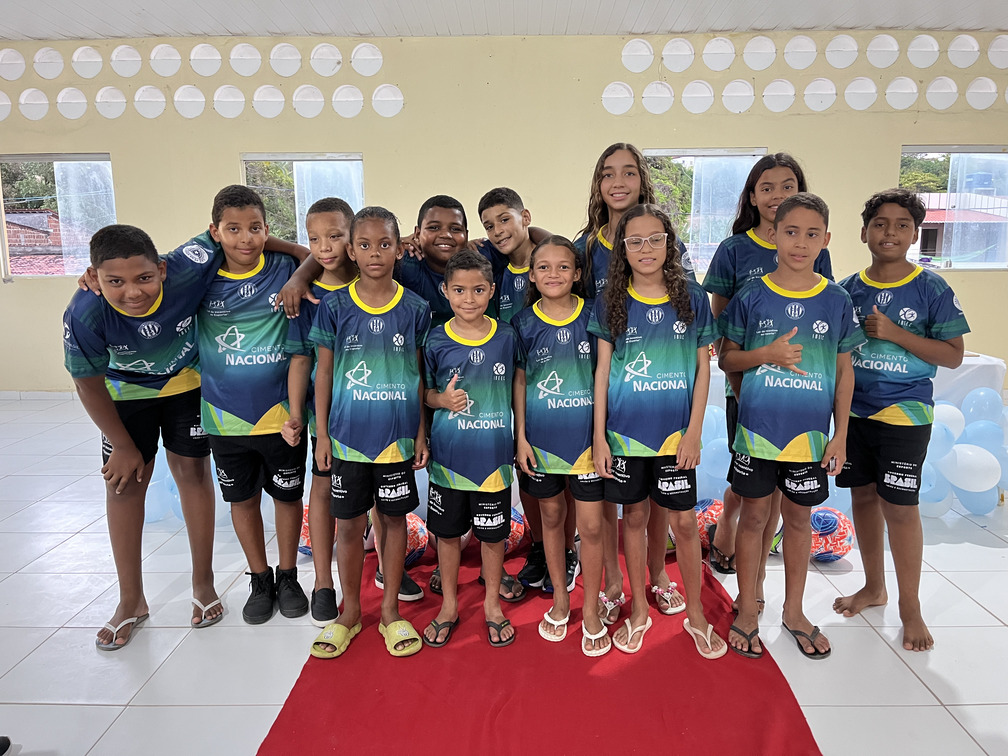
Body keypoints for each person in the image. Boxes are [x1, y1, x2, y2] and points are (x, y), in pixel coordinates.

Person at [63, 224, 224, 649]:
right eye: (115, 281)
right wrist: (121, 444)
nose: (133, 292)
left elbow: (227, 230)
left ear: (163, 270)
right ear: (94, 277)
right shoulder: (84, 312)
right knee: (124, 485)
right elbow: (87, 384)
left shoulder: (186, 266)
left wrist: (297, 252)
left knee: (192, 472)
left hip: (185, 384)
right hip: (123, 393)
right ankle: (131, 599)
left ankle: (203, 582)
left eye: (144, 278)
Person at [719, 193, 864, 660]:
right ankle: (747, 607)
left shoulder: (837, 300)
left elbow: (844, 372)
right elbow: (727, 359)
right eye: (791, 232)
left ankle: (794, 610)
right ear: (774, 235)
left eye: (812, 233)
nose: (801, 243)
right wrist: (766, 358)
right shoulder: (752, 295)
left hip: (810, 439)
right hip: (757, 434)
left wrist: (840, 435)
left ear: (826, 239)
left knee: (798, 521)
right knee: (754, 518)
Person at [833, 188, 968, 652]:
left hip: (905, 414)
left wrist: (895, 334)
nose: (890, 232)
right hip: (855, 412)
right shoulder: (848, 289)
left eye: (902, 225)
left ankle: (911, 607)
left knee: (900, 507)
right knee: (863, 497)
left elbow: (953, 355)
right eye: (880, 224)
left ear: (915, 234)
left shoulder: (931, 288)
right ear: (864, 232)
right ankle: (874, 587)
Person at [589, 204, 725, 658]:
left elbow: (702, 371)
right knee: (634, 519)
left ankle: (697, 615)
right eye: (635, 241)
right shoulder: (610, 299)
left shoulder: (691, 296)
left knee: (683, 522)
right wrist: (599, 437)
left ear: (670, 243)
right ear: (622, 249)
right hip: (625, 436)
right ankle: (639, 610)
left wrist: (693, 432)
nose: (645, 248)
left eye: (655, 239)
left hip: (674, 437)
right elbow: (602, 373)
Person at [703, 153, 833, 597]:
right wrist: (741, 385)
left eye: (787, 185)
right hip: (746, 385)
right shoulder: (734, 250)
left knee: (778, 491)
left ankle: (755, 578)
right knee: (750, 487)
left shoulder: (813, 250)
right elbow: (722, 331)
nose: (777, 195)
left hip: (796, 392)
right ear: (753, 196)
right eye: (767, 187)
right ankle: (726, 528)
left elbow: (822, 316)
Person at [574, 143, 691, 626]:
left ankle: (657, 572)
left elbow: (680, 300)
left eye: (628, 172)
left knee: (656, 487)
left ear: (642, 179)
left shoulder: (661, 236)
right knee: (609, 489)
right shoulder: (586, 245)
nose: (618, 182)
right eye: (608, 174)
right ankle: (613, 580)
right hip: (600, 374)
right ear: (598, 184)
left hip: (653, 382)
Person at [308, 206, 431, 659]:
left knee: (393, 521)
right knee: (349, 526)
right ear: (351, 251)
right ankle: (351, 612)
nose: (375, 253)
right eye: (364, 244)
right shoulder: (335, 306)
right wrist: (323, 434)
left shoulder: (415, 308)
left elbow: (419, 375)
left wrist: (420, 433)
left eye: (384, 244)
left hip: (396, 439)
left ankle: (391, 612)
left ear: (399, 249)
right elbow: (324, 373)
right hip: (347, 439)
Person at [198, 185, 311, 625]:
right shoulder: (201, 276)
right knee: (242, 500)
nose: (245, 239)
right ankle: (260, 578)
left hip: (281, 416)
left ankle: (288, 576)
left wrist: (297, 268)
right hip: (225, 418)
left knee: (287, 497)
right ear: (214, 231)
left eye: (255, 228)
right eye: (233, 229)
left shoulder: (285, 268)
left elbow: (313, 254)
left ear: (267, 229)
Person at [512, 236, 608, 655]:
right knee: (551, 516)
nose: (554, 274)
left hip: (587, 441)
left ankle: (592, 608)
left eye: (563, 266)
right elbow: (519, 382)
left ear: (578, 273)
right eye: (544, 267)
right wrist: (521, 437)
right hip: (542, 440)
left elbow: (604, 375)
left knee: (591, 526)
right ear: (532, 276)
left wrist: (602, 437)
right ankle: (561, 600)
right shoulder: (522, 323)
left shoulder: (593, 315)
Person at [422, 250, 520, 648]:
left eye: (478, 290)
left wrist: (521, 440)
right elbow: (425, 394)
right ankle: (449, 605)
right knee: (448, 535)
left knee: (493, 537)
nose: (468, 298)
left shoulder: (507, 336)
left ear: (492, 291)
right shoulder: (435, 338)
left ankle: (492, 604)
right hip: (449, 460)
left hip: (493, 459)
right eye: (459, 290)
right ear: (445, 291)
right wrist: (442, 400)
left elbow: (519, 389)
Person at [282, 197, 358, 627]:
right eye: (314, 239)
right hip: (325, 417)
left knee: (373, 494)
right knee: (324, 487)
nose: (324, 247)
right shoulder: (306, 295)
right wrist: (297, 413)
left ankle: (385, 569)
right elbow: (300, 359)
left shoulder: (376, 280)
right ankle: (323, 583)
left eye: (334, 236)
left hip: (374, 412)